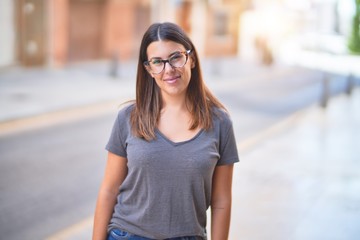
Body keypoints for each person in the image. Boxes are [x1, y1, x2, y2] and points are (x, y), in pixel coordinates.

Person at [93, 22, 239, 240]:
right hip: (127, 234)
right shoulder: (128, 118)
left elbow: (221, 202)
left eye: (176, 57)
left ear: (191, 59)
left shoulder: (219, 123)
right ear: (148, 69)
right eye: (157, 62)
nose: (168, 69)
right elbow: (108, 190)